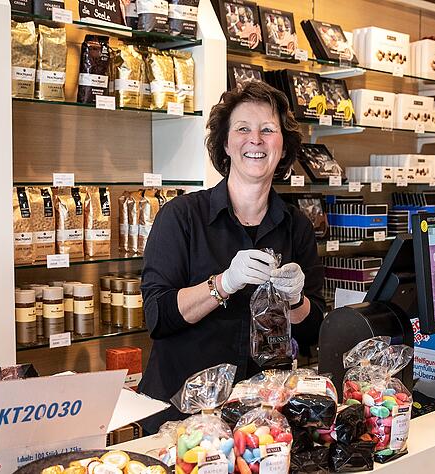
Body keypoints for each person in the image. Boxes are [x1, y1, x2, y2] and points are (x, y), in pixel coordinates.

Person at [138, 81, 325, 433]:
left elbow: (314, 326)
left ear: (282, 148)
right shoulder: (181, 217)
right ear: (225, 144)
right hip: (181, 419)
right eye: (243, 129)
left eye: (268, 130)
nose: (255, 139)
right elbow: (157, 316)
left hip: (261, 420)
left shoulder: (296, 226)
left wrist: (296, 300)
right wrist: (224, 283)